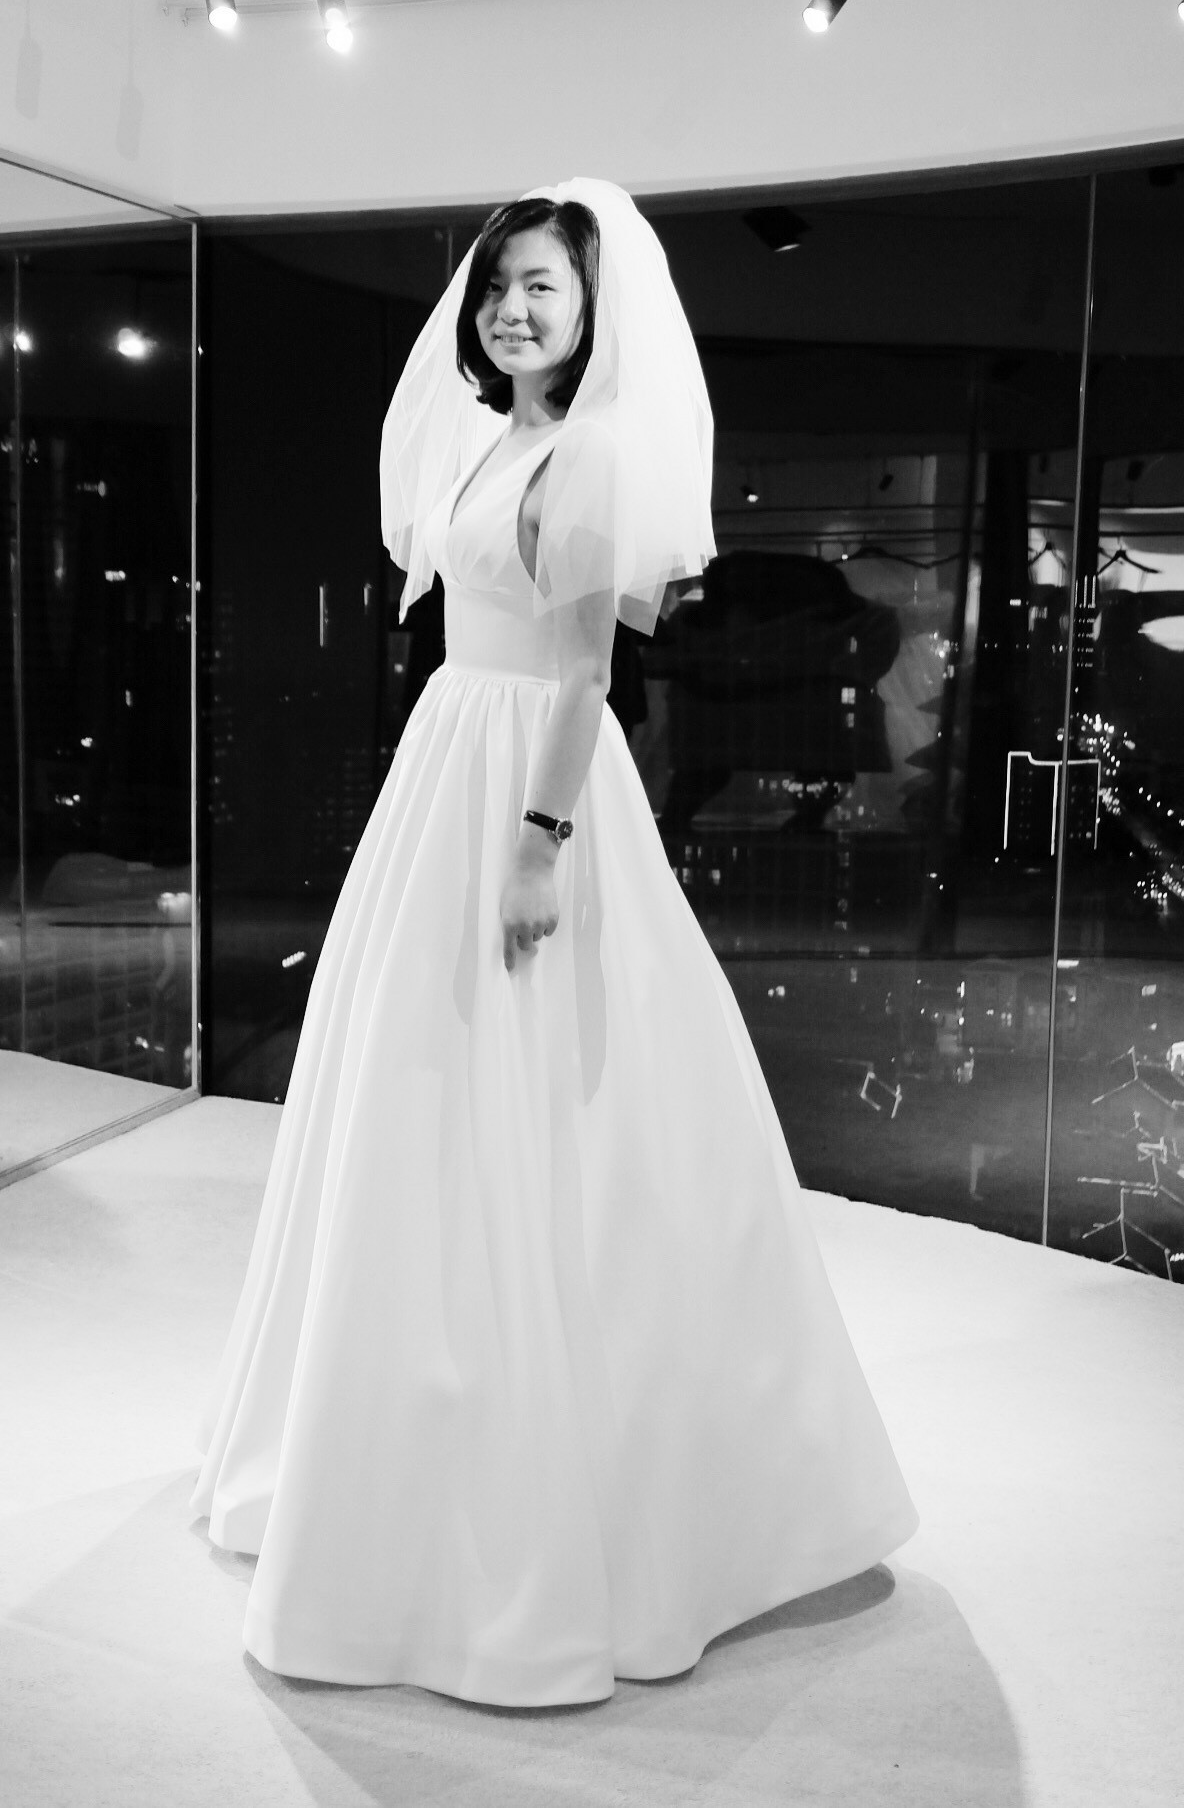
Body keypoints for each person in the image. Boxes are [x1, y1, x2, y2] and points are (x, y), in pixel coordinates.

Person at [188, 177, 918, 1707]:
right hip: (447, 756)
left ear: (593, 315)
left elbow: (585, 679)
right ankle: (397, 1442)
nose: (516, 309)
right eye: (500, 285)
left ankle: (579, 1485)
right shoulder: (486, 437)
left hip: (531, 781)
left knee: (556, 1107)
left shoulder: (587, 455)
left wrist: (537, 845)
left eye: (546, 289)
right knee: (419, 1095)